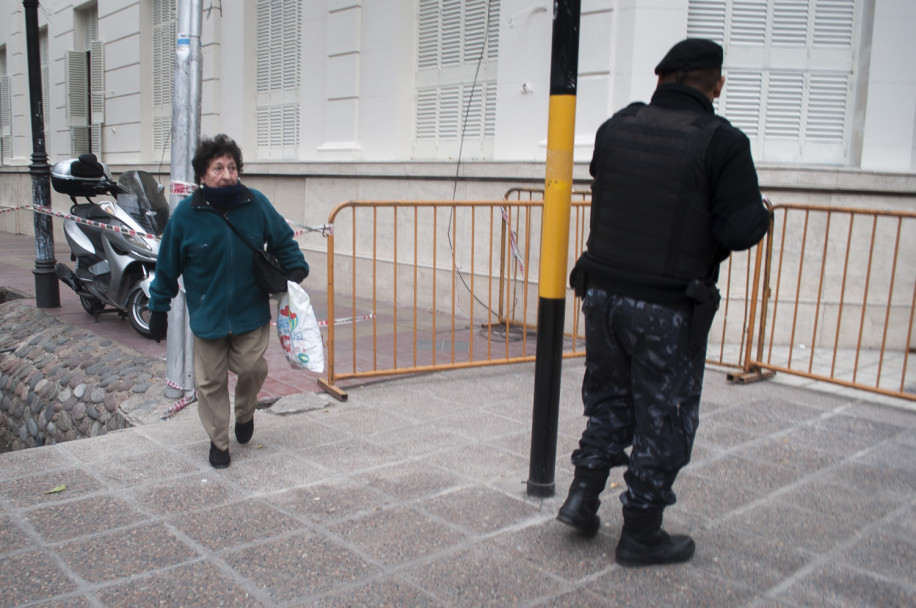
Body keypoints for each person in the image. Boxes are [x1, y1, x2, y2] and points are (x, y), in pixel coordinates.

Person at [557, 39, 770, 566]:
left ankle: (582, 500)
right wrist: (762, 214)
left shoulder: (617, 127)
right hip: (665, 306)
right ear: (715, 84)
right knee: (665, 416)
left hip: (600, 294)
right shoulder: (722, 142)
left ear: (662, 79)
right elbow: (739, 228)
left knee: (609, 401)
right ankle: (642, 532)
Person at [147, 134, 309, 469]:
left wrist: (295, 267)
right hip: (207, 316)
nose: (227, 174)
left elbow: (281, 237)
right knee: (210, 382)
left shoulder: (256, 203)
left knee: (252, 367)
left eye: (232, 167)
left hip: (249, 312)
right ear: (202, 175)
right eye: (218, 167)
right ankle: (219, 442)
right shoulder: (185, 216)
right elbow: (167, 265)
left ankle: (245, 412)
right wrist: (158, 308)